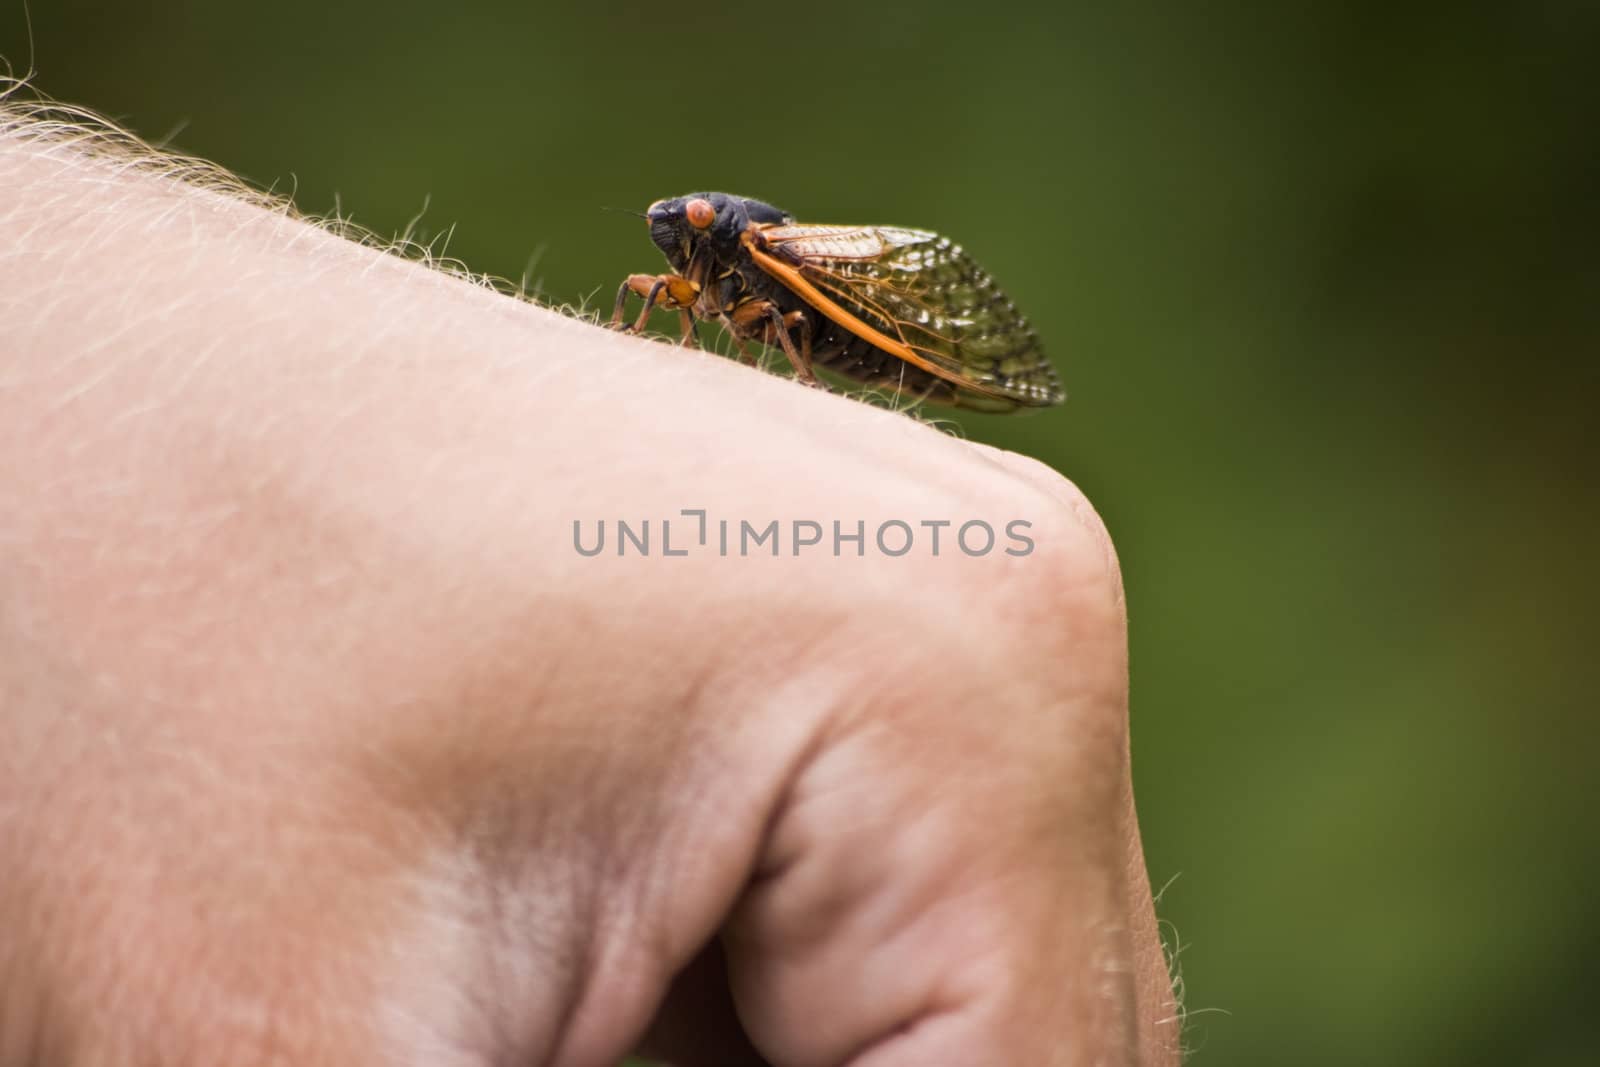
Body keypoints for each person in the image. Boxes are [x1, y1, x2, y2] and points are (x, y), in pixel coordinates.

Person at [0, 101, 1180, 1065]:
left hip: (837, 303)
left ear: (723, 237)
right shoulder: (677, 280)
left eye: (688, 231)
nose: (674, 243)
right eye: (675, 233)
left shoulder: (763, 259)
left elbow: (781, 318)